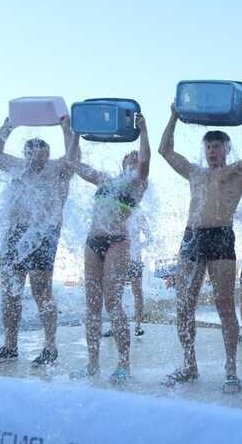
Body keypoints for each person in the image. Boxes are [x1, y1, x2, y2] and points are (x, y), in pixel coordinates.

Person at [159, 98, 242, 394]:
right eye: (208, 147)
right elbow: (165, 151)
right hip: (192, 237)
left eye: (217, 147)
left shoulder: (237, 171)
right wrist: (172, 117)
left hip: (221, 236)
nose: (212, 152)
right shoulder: (195, 173)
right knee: (183, 305)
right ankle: (189, 365)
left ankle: (231, 369)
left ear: (226, 149)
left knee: (223, 306)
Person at [0, 116, 75, 367]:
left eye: (41, 154)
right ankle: (10, 346)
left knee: (40, 290)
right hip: (14, 233)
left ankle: (50, 347)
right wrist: (8, 126)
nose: (35, 159)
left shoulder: (57, 169)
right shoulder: (17, 167)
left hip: (43, 233)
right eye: (31, 154)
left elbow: (72, 156)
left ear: (47, 155)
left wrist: (65, 128)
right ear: (25, 154)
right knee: (10, 291)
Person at [72, 114, 150, 383]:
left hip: (118, 241)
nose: (133, 163)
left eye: (135, 160)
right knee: (91, 305)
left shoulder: (138, 184)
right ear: (121, 164)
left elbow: (145, 164)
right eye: (128, 160)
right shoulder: (105, 180)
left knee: (112, 303)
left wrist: (143, 131)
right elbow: (75, 164)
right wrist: (73, 132)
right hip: (93, 242)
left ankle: (124, 363)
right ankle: (92, 362)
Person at [103, 212, 149, 339]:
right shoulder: (120, 213)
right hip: (120, 259)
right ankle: (114, 325)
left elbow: (150, 237)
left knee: (137, 292)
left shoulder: (139, 215)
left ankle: (138, 326)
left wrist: (137, 247)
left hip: (134, 260)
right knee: (117, 293)